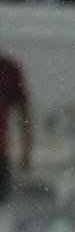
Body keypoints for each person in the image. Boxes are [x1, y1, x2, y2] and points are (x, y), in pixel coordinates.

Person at [0, 52, 34, 204]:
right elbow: (24, 112)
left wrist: (27, 149)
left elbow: (24, 112)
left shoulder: (9, 69)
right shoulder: (8, 69)